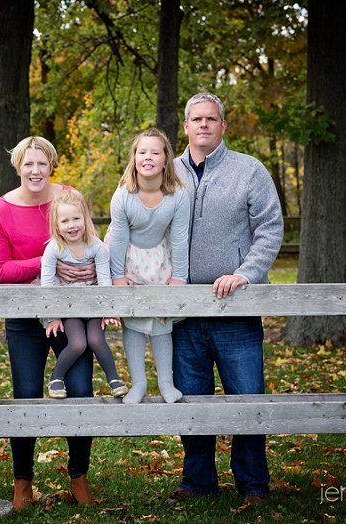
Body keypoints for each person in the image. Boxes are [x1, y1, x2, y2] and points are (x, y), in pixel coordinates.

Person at [171, 93, 283, 505]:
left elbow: (270, 229)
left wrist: (244, 273)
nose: (204, 125)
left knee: (247, 398)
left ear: (223, 126)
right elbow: (140, 223)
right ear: (185, 126)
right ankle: (198, 481)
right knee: (192, 397)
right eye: (196, 119)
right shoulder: (165, 171)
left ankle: (253, 484)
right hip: (182, 311)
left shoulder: (248, 171)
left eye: (211, 119)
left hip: (235, 308)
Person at [0, 136, 97, 510]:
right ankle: (22, 482)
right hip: (24, 317)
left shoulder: (69, 198)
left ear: (52, 165)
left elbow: (91, 245)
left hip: (71, 315)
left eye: (42, 163)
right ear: (18, 166)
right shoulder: (1, 209)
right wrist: (49, 258)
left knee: (81, 391)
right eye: (27, 164)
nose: (35, 171)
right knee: (26, 396)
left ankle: (78, 477)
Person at [108, 128, 190, 405]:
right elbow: (118, 237)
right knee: (133, 322)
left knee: (161, 322)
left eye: (156, 152)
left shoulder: (177, 195)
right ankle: (139, 383)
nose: (148, 157)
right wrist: (117, 276)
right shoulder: (123, 194)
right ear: (134, 158)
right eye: (142, 152)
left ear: (166, 160)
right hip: (130, 259)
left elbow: (180, 237)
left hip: (160, 259)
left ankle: (166, 383)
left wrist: (179, 276)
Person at [41, 189, 128, 399]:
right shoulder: (54, 249)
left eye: (76, 218)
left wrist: (107, 311)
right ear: (57, 226)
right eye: (65, 221)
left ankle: (114, 379)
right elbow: (46, 285)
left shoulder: (96, 247)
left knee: (97, 340)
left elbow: (105, 280)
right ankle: (56, 378)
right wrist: (52, 317)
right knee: (79, 343)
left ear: (85, 220)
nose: (72, 225)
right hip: (69, 307)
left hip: (94, 304)